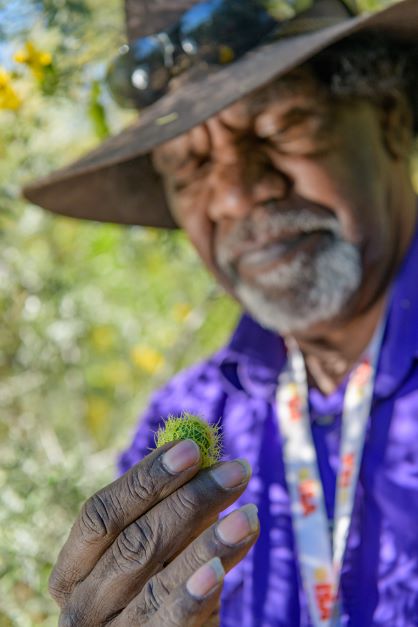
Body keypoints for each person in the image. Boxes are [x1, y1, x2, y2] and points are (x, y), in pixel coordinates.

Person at [24, 0, 418, 624]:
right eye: (190, 167)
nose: (236, 193)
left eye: (279, 127)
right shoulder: (191, 416)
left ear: (392, 122)